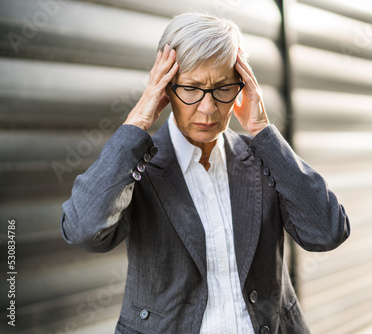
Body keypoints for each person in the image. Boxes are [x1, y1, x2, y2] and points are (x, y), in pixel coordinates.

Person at [60, 12, 350, 334]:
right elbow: (83, 229)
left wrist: (261, 130)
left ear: (242, 87)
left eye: (223, 88)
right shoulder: (137, 165)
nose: (208, 108)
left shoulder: (263, 157)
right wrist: (137, 123)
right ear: (165, 88)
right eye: (191, 88)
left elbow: (327, 232)